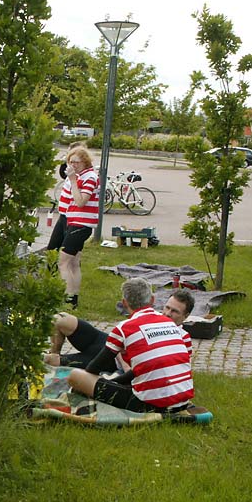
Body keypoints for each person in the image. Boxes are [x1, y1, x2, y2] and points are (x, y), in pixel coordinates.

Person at [68, 278, 194, 412]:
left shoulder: (124, 328)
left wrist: (107, 382)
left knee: (76, 376)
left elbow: (93, 369)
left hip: (151, 405)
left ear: (124, 303)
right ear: (152, 300)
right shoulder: (171, 324)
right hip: (182, 401)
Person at [45, 288, 195, 370]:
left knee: (51, 361)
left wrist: (124, 368)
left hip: (110, 361)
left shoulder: (180, 338)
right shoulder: (151, 317)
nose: (167, 313)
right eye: (167, 308)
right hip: (107, 342)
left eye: (174, 312)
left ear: (186, 316)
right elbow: (120, 335)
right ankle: (54, 351)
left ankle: (51, 361)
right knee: (60, 319)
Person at [47, 147, 98, 310]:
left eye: (76, 162)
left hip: (81, 223)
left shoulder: (89, 177)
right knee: (73, 261)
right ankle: (73, 298)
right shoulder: (76, 175)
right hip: (67, 218)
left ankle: (68, 300)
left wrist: (74, 180)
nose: (73, 165)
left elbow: (81, 202)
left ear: (85, 162)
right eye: (70, 162)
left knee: (63, 262)